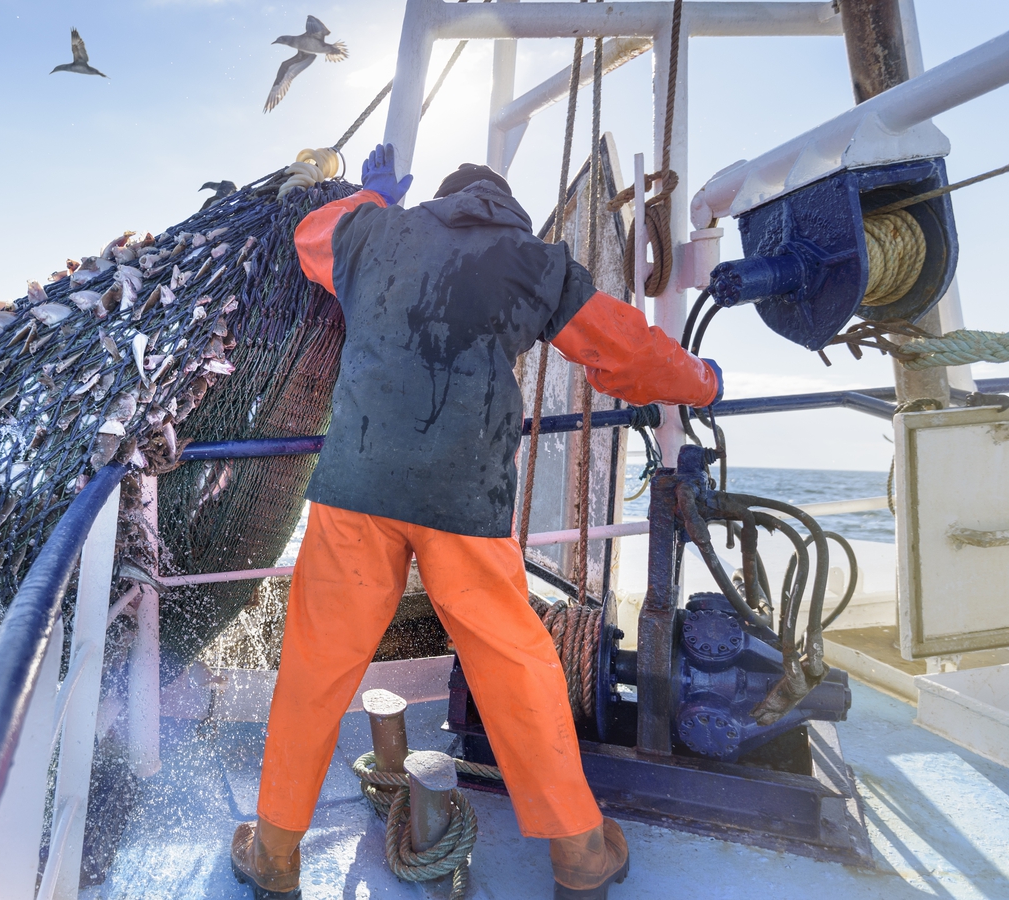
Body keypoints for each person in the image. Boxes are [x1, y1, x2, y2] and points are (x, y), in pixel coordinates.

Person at [229, 144, 723, 900]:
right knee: (516, 666)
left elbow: (309, 236)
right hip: (466, 503)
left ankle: (275, 852)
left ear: (439, 203)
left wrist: (373, 202)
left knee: (316, 668)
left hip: (356, 491)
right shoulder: (533, 261)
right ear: (507, 213)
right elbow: (622, 350)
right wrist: (700, 381)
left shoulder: (374, 235)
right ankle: (580, 855)